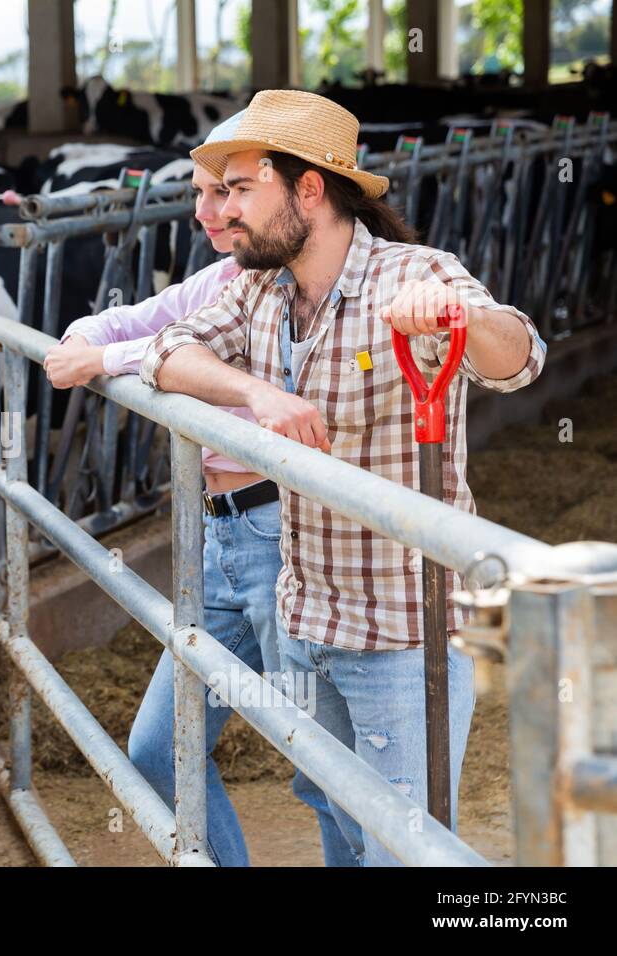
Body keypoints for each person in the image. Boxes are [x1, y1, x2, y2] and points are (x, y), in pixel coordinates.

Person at [141, 89, 547, 866]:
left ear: (309, 189)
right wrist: (257, 393)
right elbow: (167, 351)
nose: (224, 211)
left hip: (399, 630)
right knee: (334, 810)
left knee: (400, 846)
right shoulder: (263, 288)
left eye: (241, 188)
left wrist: (458, 320)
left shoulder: (413, 274)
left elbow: (519, 355)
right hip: (306, 619)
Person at [43, 110, 284, 868]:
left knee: (326, 770)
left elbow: (147, 346)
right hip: (219, 539)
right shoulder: (221, 280)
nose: (207, 212)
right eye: (201, 193)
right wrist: (88, 339)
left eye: (228, 191)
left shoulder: (295, 289)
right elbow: (124, 323)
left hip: (291, 537)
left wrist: (108, 359)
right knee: (159, 749)